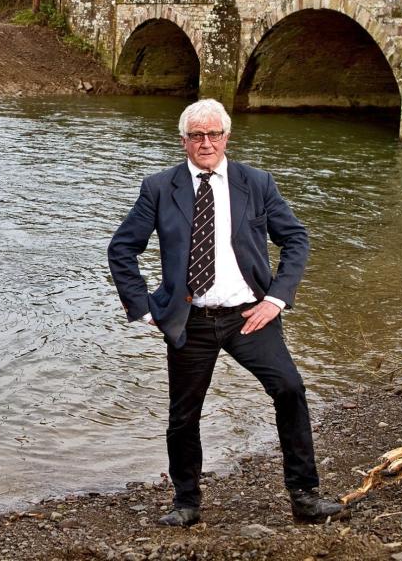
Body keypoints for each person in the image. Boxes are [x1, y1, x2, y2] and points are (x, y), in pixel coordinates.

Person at [107, 98, 347, 527]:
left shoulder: (256, 183)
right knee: (184, 415)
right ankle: (186, 502)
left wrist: (275, 299)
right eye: (196, 135)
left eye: (213, 134)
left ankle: (305, 496)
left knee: (289, 388)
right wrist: (142, 308)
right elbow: (123, 249)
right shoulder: (159, 187)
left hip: (249, 315)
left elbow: (296, 240)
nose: (206, 143)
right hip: (189, 320)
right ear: (183, 141)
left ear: (226, 137)